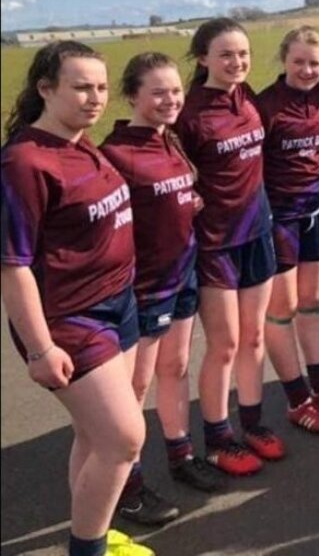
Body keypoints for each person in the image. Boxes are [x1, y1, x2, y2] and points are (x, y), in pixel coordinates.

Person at [1, 41, 153, 556]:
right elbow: (12, 265)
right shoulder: (24, 163)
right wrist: (40, 349)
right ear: (46, 89)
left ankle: (99, 535)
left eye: (102, 87)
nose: (94, 98)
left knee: (93, 437)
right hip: (69, 320)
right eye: (81, 87)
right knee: (124, 439)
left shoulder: (83, 141)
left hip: (119, 306)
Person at [101, 54, 223, 528]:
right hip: (146, 287)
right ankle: (126, 487)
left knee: (176, 367)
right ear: (132, 95)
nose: (170, 99)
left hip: (183, 274)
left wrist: (187, 201)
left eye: (175, 91)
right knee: (134, 388)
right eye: (158, 92)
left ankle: (181, 454)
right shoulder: (116, 153)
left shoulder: (168, 140)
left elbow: (170, 198)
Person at [176, 17, 280, 477]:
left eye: (242, 54)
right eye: (225, 55)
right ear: (203, 59)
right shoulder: (189, 113)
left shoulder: (247, 97)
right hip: (215, 243)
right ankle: (218, 439)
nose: (236, 62)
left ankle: (253, 423)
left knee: (254, 337)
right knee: (225, 344)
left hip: (257, 232)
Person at [258, 27, 319, 435]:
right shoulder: (264, 105)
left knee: (311, 301)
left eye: (315, 63)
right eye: (298, 61)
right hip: (277, 217)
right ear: (284, 59)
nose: (306, 69)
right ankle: (297, 397)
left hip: (316, 208)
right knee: (280, 311)